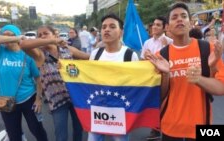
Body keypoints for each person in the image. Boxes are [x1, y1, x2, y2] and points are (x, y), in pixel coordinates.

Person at [146, 3, 224, 141]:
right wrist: (165, 74)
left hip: (204, 126)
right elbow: (157, 97)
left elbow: (220, 89)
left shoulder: (208, 49)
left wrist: (199, 78)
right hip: (170, 126)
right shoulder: (161, 56)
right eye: (174, 17)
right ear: (168, 27)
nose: (180, 19)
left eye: (184, 16)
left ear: (190, 23)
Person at [19, 25, 89, 141]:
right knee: (61, 135)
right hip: (57, 101)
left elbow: (89, 58)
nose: (42, 37)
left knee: (78, 129)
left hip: (76, 96)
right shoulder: (40, 54)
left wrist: (104, 50)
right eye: (39, 35)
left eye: (45, 33)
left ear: (54, 34)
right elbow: (23, 45)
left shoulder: (68, 49)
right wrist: (51, 40)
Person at [0, 24, 48, 141]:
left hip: (29, 99)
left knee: (37, 129)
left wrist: (39, 99)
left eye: (10, 35)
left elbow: (38, 78)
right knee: (14, 134)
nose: (6, 38)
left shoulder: (27, 54)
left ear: (17, 34)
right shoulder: (0, 52)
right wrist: (15, 38)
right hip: (6, 101)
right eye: (3, 36)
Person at [88, 13, 139, 141]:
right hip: (97, 109)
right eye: (104, 27)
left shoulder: (130, 55)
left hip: (120, 111)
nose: (107, 29)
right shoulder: (95, 54)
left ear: (121, 32)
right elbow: (88, 80)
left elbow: (137, 85)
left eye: (112, 26)